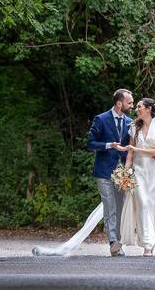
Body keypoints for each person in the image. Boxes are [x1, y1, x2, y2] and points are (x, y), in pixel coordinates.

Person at [32, 89, 133, 257]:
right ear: (119, 103)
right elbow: (90, 143)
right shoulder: (101, 119)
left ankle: (118, 241)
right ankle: (114, 243)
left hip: (122, 173)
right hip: (103, 172)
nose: (131, 105)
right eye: (129, 102)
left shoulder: (130, 122)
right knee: (110, 207)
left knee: (121, 208)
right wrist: (109, 145)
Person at [119, 97, 155, 256]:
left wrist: (137, 149)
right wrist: (126, 173)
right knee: (144, 204)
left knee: (153, 209)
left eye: (139, 107)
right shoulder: (133, 127)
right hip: (139, 171)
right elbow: (130, 154)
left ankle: (150, 241)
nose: (136, 109)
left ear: (148, 109)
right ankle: (147, 244)